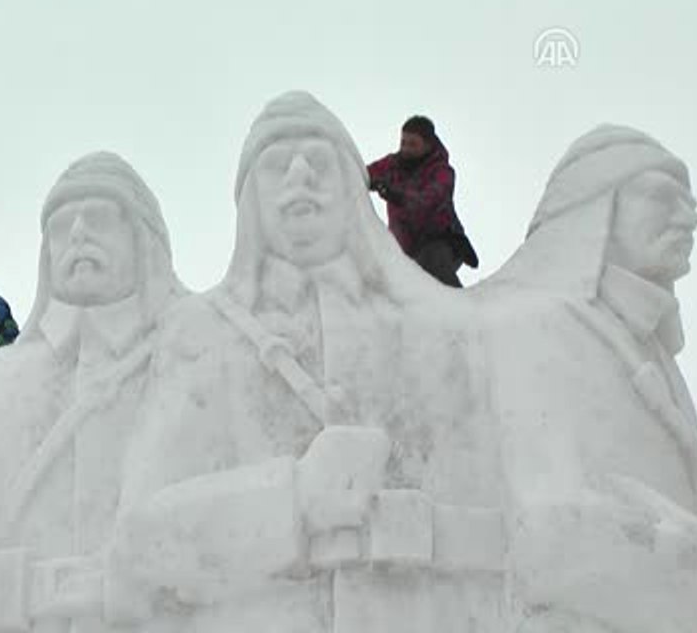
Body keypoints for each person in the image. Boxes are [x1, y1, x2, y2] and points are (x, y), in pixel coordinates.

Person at [107, 92, 506, 631]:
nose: (299, 176)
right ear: (250, 201)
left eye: (320, 162)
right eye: (276, 166)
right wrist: (291, 501)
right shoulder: (202, 332)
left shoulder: (433, 329)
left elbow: (503, 520)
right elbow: (136, 545)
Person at [481, 125, 697, 632]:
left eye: (691, 204)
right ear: (595, 210)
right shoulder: (533, 325)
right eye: (662, 197)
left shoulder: (651, 352)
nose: (688, 217)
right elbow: (550, 525)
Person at [0, 151, 187, 633]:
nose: (77, 233)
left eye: (98, 218)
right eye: (61, 227)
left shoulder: (196, 353)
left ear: (142, 240)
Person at [367, 115, 478, 286]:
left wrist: (397, 195)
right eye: (403, 142)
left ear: (428, 145)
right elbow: (362, 173)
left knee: (431, 262)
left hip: (442, 243)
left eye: (413, 144)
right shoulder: (392, 164)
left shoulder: (443, 172)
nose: (405, 148)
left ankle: (459, 303)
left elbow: (429, 199)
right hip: (405, 251)